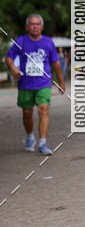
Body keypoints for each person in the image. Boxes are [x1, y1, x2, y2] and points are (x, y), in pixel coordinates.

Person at [5, 13, 66, 154]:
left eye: (38, 24)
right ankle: (30, 137)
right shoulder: (20, 41)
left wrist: (61, 81)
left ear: (42, 27)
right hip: (25, 83)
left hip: (43, 83)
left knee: (43, 109)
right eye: (32, 24)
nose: (35, 26)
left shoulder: (48, 42)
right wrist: (13, 67)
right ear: (27, 27)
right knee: (27, 113)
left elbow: (56, 63)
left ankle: (43, 143)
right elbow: (9, 58)